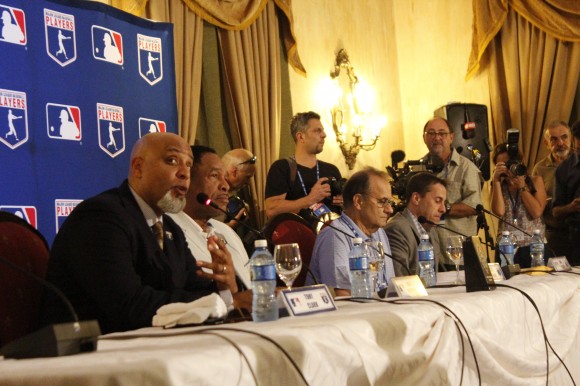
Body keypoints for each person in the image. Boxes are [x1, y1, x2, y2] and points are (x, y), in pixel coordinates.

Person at [41, 133, 241, 334]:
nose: (184, 173)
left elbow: (194, 288)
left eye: (188, 165)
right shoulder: (101, 217)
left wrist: (225, 287)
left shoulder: (171, 230)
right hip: (91, 352)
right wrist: (221, 301)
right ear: (138, 168)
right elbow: (129, 304)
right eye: (172, 161)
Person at [169, 145, 252, 290]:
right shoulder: (168, 232)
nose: (225, 186)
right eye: (214, 176)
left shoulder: (227, 232)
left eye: (224, 177)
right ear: (186, 180)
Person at [306, 167, 396, 296]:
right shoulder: (334, 236)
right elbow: (342, 296)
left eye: (390, 203)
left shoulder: (379, 232)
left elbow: (389, 284)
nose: (390, 210)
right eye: (382, 202)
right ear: (359, 202)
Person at [422, 117, 482, 268]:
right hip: (426, 252)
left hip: (457, 254)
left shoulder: (466, 168)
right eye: (431, 133)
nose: (437, 138)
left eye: (442, 133)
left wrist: (443, 208)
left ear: (451, 137)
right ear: (424, 138)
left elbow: (475, 206)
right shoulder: (418, 169)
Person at [265, 111, 343, 222]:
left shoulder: (331, 170)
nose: (324, 135)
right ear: (301, 137)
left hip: (331, 235)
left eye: (323, 130)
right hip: (298, 236)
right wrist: (309, 199)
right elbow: (271, 210)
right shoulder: (282, 168)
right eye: (317, 131)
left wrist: (344, 203)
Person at [490, 143, 547, 263]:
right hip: (506, 246)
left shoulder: (535, 181)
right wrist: (495, 180)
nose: (508, 168)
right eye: (502, 165)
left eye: (509, 163)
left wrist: (522, 187)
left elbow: (536, 212)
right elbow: (499, 211)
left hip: (533, 246)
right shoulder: (499, 186)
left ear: (520, 161)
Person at [385, 173, 447, 276]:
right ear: (416, 198)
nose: (443, 209)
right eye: (437, 201)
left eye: (444, 203)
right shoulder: (396, 229)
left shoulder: (431, 230)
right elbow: (400, 279)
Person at [532, 120, 573, 256]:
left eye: (564, 137)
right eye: (554, 139)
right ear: (546, 144)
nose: (560, 143)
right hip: (555, 234)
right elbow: (535, 203)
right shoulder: (540, 169)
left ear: (571, 138)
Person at [553, 121, 580, 265]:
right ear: (575, 144)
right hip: (576, 237)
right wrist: (572, 207)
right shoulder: (563, 170)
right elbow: (556, 212)